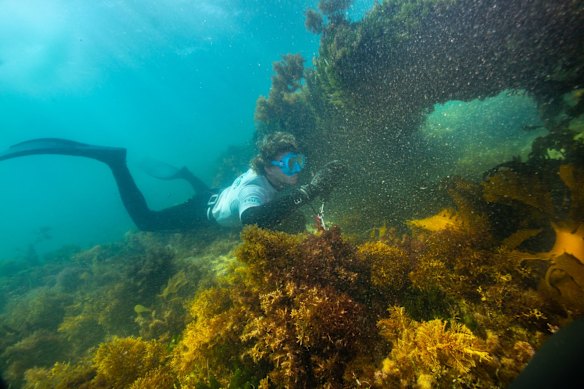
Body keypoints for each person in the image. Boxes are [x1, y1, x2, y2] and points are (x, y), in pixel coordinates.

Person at [0, 132, 346, 232]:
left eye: (299, 161)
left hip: (218, 194)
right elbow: (253, 219)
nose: (297, 168)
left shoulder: (267, 175)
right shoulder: (254, 191)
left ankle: (183, 173)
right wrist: (310, 190)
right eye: (289, 163)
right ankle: (113, 162)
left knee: (212, 194)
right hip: (205, 212)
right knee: (147, 222)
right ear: (268, 166)